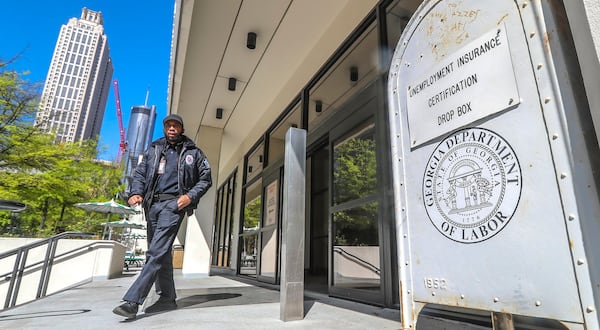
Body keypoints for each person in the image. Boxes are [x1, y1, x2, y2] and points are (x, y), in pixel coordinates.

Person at [113, 114, 212, 319]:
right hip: (152, 206)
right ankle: (167, 297)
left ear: (182, 129)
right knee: (162, 253)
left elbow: (205, 178)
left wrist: (188, 197)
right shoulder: (155, 148)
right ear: (165, 128)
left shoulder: (193, 152)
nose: (172, 128)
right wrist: (135, 192)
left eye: (176, 125)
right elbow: (140, 173)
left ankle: (133, 301)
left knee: (156, 252)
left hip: (173, 205)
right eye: (169, 125)